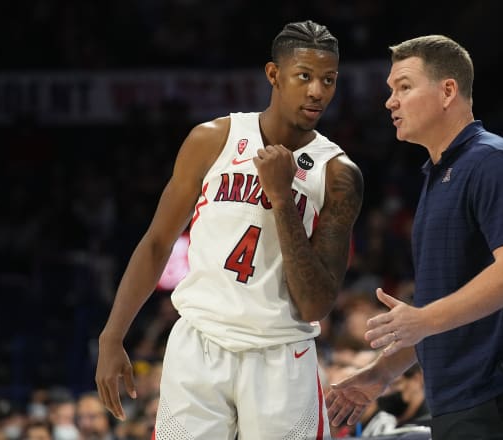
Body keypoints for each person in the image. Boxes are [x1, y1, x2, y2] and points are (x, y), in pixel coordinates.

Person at [95, 20, 363, 439]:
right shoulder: (213, 139)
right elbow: (157, 243)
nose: (317, 91)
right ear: (274, 75)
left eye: (328, 80)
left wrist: (281, 198)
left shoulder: (338, 173)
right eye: (304, 77)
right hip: (199, 343)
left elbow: (315, 305)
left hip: (281, 354)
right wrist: (112, 336)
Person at [326, 35, 503, 440]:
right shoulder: (438, 174)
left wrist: (423, 319)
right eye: (390, 91)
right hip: (462, 399)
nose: (390, 102)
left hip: (500, 397)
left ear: (447, 90)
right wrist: (382, 372)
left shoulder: (491, 161)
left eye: (404, 87)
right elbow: (444, 307)